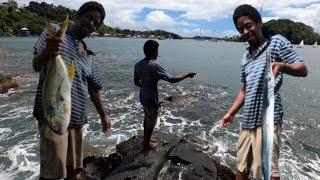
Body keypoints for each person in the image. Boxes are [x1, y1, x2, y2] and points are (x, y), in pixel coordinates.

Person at [219, 4, 308, 180]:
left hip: (268, 120)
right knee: (241, 168)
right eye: (240, 29)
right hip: (247, 121)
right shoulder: (245, 57)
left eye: (248, 25)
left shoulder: (276, 43)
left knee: (269, 170)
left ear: (259, 23)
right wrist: (231, 113)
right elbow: (245, 89)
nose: (245, 32)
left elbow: (302, 68)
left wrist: (283, 66)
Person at [32, 1, 111, 179]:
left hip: (76, 119)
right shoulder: (54, 31)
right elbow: (36, 64)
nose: (91, 24)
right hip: (52, 116)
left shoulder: (89, 55)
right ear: (79, 15)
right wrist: (47, 52)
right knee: (51, 173)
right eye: (89, 18)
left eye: (95, 24)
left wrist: (103, 115)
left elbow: (94, 88)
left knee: (73, 172)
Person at [134, 40, 196, 151]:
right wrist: (187, 75)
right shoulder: (155, 66)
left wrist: (145, 86)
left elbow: (136, 82)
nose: (158, 53)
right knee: (151, 122)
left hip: (142, 97)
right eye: (157, 51)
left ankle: (145, 140)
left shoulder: (138, 65)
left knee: (146, 118)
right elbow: (171, 79)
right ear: (153, 52)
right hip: (151, 99)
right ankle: (146, 145)